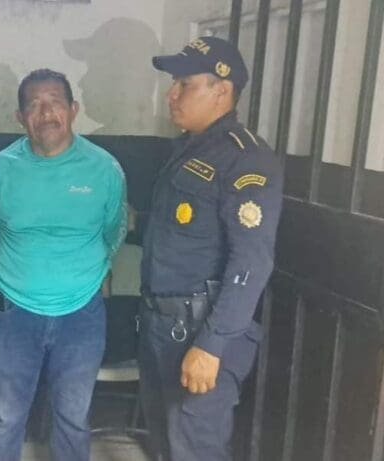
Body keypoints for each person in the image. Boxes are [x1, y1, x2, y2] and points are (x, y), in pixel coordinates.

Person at [140, 37, 284, 460]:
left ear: (221, 91)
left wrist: (211, 345)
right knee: (164, 444)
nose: (172, 94)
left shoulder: (245, 159)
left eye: (184, 84)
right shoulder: (189, 148)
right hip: (163, 324)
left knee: (195, 448)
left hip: (201, 329)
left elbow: (251, 262)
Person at [0, 68, 128, 461]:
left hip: (81, 313)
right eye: (34, 105)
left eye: (55, 103)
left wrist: (89, 274)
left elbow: (114, 231)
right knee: (4, 418)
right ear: (19, 117)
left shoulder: (104, 169)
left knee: (73, 417)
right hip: (11, 311)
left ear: (73, 110)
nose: (46, 113)